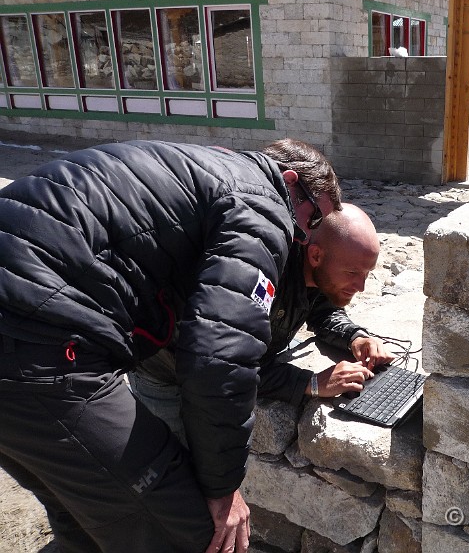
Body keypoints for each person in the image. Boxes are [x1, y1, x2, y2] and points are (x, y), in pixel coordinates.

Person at [0, 138, 342, 553]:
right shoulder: (262, 203)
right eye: (314, 219)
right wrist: (222, 488)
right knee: (190, 530)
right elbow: (221, 355)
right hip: (36, 340)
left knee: (81, 518)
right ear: (289, 182)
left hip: (27, 320)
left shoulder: (205, 170)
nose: (306, 237)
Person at [129, 203, 396, 444]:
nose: (361, 286)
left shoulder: (314, 267)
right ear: (315, 255)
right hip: (165, 369)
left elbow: (322, 310)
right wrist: (311, 383)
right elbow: (230, 365)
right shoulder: (261, 275)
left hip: (217, 355)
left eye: (367, 273)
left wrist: (355, 337)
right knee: (171, 461)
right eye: (352, 273)